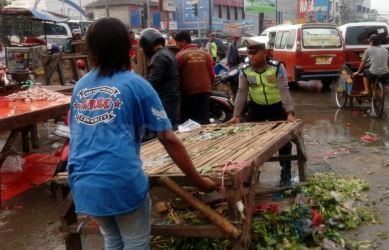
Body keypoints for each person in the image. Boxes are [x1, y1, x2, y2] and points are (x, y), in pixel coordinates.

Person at [68, 18, 215, 250]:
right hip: (120, 181)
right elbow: (168, 139)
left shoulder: (80, 87)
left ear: (92, 50)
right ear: (128, 47)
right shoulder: (137, 85)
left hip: (83, 183)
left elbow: (78, 135)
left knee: (113, 240)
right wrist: (199, 181)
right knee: (135, 243)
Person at [228, 36, 296, 187]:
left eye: (254, 53)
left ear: (264, 53)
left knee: (284, 141)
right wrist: (236, 115)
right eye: (249, 54)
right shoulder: (245, 71)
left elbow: (283, 89)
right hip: (256, 107)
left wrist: (289, 112)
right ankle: (252, 172)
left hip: (276, 107)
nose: (251, 57)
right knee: (250, 140)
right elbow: (241, 92)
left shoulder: (277, 67)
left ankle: (286, 173)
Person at [139, 28, 180, 127]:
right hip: (171, 95)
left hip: (165, 97)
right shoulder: (168, 52)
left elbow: (153, 81)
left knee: (165, 127)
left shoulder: (159, 57)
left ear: (147, 44)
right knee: (170, 124)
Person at [174, 31, 215, 124]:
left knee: (188, 123)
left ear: (183, 42)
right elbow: (212, 75)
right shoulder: (206, 55)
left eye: (177, 43)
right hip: (205, 92)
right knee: (203, 122)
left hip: (188, 94)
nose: (177, 46)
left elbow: (176, 76)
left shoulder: (180, 56)